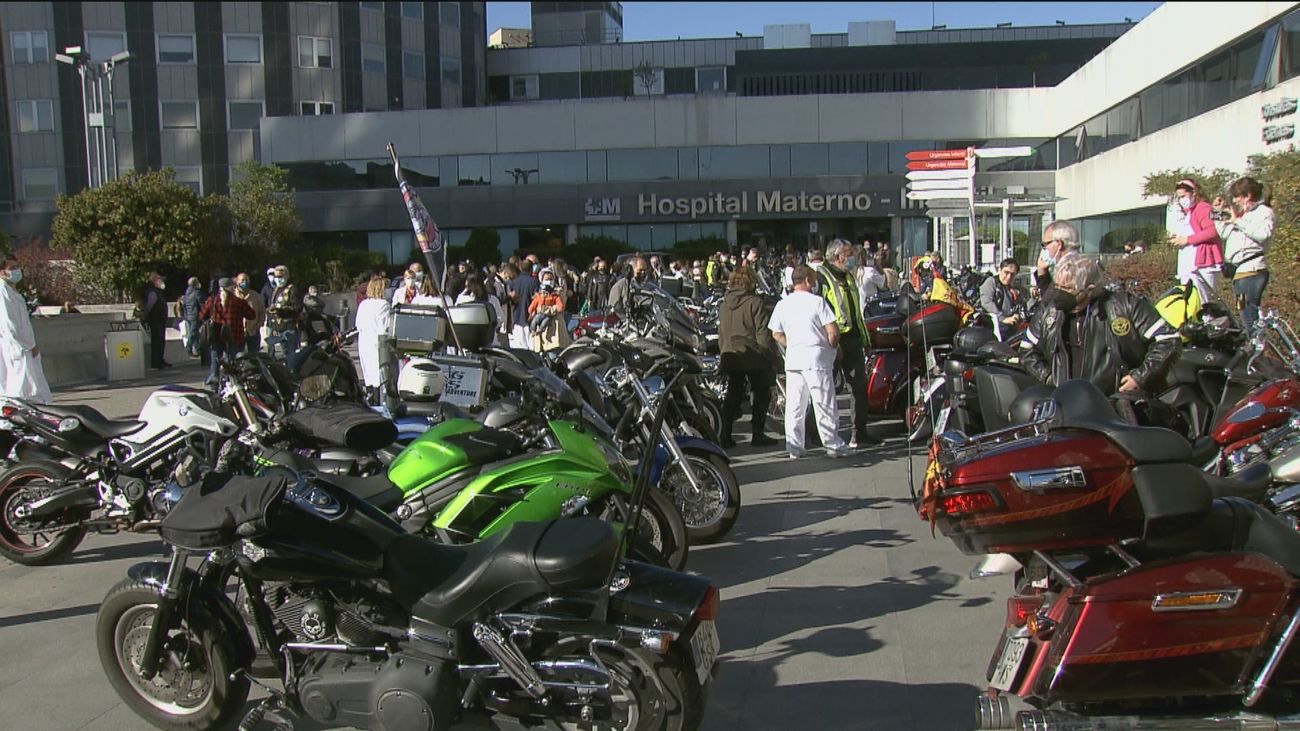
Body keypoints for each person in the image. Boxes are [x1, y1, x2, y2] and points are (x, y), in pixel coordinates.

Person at [1021, 254, 1179, 398]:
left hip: (1115, 407)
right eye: (1058, 287)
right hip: (1066, 405)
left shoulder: (1124, 306)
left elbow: (1169, 340)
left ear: (1089, 290)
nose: (1059, 294)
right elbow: (1027, 350)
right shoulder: (1049, 312)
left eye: (1068, 289)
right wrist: (1049, 378)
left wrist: (1140, 377)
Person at [769, 265, 851, 459]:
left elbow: (776, 333)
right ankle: (833, 445)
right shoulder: (817, 302)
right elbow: (833, 331)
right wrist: (832, 346)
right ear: (807, 280)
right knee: (824, 403)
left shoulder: (783, 304)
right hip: (817, 358)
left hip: (794, 358)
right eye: (812, 279)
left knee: (795, 405)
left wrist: (791, 343)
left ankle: (794, 447)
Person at [813, 239, 878, 447]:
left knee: (858, 387)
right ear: (837, 257)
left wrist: (865, 338)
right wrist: (831, 340)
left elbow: (854, 311)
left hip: (853, 339)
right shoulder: (821, 277)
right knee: (824, 389)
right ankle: (817, 435)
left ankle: (859, 433)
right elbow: (818, 312)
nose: (851, 259)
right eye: (848, 254)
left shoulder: (848, 276)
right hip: (832, 341)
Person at [718, 267, 779, 448]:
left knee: (733, 395)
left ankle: (726, 435)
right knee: (761, 394)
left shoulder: (724, 304)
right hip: (752, 354)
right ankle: (757, 434)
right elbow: (762, 334)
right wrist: (770, 356)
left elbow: (721, 332)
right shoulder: (755, 303)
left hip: (731, 354)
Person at [1216, 176, 1274, 330]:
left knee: (1250, 313)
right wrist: (1220, 214)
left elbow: (1263, 234)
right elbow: (1225, 233)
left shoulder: (1264, 212)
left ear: (1248, 195)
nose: (1235, 201)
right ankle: (1252, 343)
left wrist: (1237, 221)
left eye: (1237, 197)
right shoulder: (1243, 215)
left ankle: (1258, 346)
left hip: (1252, 273)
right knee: (1242, 310)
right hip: (1239, 274)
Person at [0, 256, 51, 403]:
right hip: (18, 348)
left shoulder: (11, 291)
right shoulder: (3, 293)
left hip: (22, 346)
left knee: (26, 387)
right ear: (2, 272)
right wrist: (30, 345)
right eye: (11, 268)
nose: (17, 271)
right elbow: (10, 325)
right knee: (21, 390)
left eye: (17, 267)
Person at [1166, 178, 1223, 300]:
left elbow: (1213, 230)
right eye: (1179, 197)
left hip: (1203, 264)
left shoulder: (1204, 207)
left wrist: (1188, 240)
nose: (1182, 200)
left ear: (1194, 192)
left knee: (1204, 302)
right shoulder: (1189, 212)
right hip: (1189, 264)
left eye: (1183, 196)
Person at [197, 278, 255, 388]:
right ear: (231, 287)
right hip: (235, 336)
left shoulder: (212, 300)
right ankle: (232, 386)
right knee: (232, 364)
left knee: (215, 362)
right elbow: (252, 315)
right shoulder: (237, 301)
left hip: (216, 336)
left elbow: (201, 315)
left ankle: (214, 386)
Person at [355, 275, 392, 401]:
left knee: (368, 376)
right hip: (377, 344)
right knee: (380, 376)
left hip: (364, 342)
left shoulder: (363, 304)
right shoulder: (383, 304)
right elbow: (385, 327)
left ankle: (371, 400)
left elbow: (358, 325)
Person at [265, 265, 301, 361]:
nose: (277, 279)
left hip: (289, 327)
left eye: (280, 277)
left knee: (291, 354)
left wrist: (281, 310)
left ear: (286, 276)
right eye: (276, 277)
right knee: (285, 353)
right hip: (278, 328)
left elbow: (297, 308)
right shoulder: (276, 289)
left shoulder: (292, 289)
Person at [979, 258, 1025, 331]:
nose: (1009, 277)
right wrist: (1002, 318)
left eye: (1012, 274)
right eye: (1006, 272)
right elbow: (986, 302)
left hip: (1011, 326)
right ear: (999, 270)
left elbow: (1024, 307)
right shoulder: (991, 282)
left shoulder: (1016, 288)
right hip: (992, 326)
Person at [1034, 220, 1082, 292]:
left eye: (1045, 244)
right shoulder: (1082, 266)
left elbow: (1053, 301)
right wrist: (1042, 272)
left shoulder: (1069, 273)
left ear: (1059, 244)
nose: (1045, 249)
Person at [528, 272, 569, 352]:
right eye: (546, 279)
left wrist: (546, 309)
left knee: (553, 352)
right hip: (540, 327)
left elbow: (560, 307)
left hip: (554, 326)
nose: (549, 281)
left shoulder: (558, 293)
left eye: (551, 279)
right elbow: (533, 307)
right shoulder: (539, 293)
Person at [140, 272, 171, 370]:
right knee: (157, 341)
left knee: (160, 341)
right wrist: (145, 316)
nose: (161, 282)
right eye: (160, 280)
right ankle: (157, 362)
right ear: (155, 281)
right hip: (156, 320)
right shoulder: (152, 291)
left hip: (159, 320)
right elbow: (150, 305)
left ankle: (160, 360)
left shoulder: (156, 291)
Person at [505, 262, 539, 349]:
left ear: (520, 268)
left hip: (516, 317)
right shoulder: (534, 282)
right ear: (531, 269)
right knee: (531, 347)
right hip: (530, 318)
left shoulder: (513, 282)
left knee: (519, 347)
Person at [233, 272, 265, 354]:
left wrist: (258, 325)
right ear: (237, 281)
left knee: (254, 357)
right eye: (242, 280)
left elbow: (262, 312)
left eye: (246, 280)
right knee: (237, 357)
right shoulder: (232, 296)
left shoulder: (255, 296)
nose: (244, 282)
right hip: (237, 332)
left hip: (253, 331)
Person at [180, 277, 203, 358]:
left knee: (194, 333)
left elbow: (184, 305)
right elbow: (201, 304)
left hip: (188, 315)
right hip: (194, 315)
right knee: (193, 333)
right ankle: (188, 348)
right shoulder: (196, 292)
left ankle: (197, 349)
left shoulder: (187, 292)